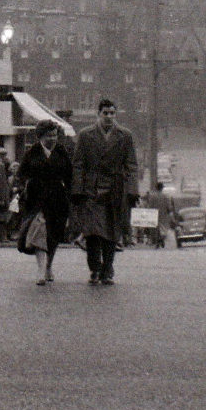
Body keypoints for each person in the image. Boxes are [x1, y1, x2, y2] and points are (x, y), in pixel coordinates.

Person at [70, 98, 139, 285]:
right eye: (105, 113)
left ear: (116, 114)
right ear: (98, 114)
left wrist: (132, 190)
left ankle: (107, 269)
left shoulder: (125, 135)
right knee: (92, 232)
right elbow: (78, 164)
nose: (109, 117)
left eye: (112, 113)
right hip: (91, 189)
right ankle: (95, 268)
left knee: (111, 231)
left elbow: (131, 165)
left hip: (115, 189)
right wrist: (77, 189)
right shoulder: (85, 135)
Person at [18, 119, 72, 284]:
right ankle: (41, 270)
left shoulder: (62, 152)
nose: (52, 139)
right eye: (49, 135)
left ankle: (48, 265)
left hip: (57, 200)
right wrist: (23, 187)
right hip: (37, 199)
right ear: (40, 136)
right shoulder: (32, 152)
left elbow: (70, 177)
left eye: (55, 135)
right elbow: (21, 174)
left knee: (54, 236)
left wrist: (71, 196)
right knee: (40, 231)